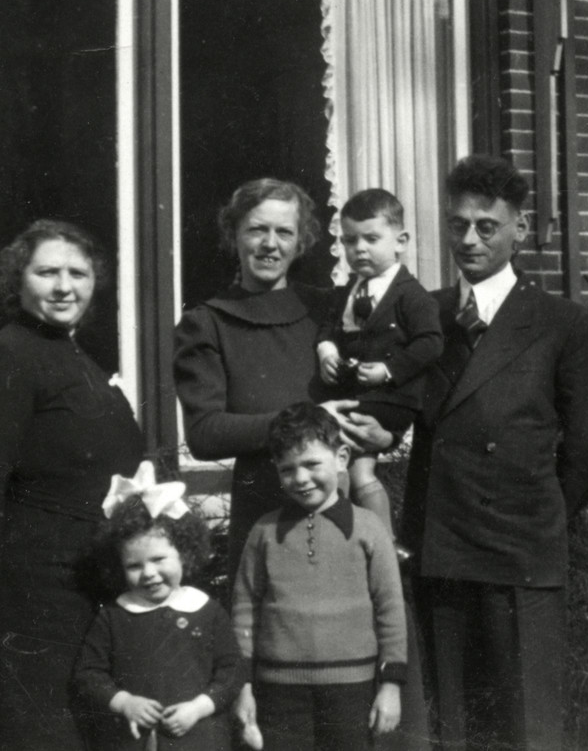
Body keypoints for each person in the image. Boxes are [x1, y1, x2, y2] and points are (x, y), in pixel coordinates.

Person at [403, 155, 588, 751]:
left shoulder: (560, 322)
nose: (469, 239)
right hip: (441, 549)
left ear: (518, 230)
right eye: (457, 225)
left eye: (486, 226)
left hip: (519, 552)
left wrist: (538, 513)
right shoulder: (426, 317)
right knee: (455, 726)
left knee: (528, 729)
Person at [0, 220, 147, 751]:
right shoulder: (8, 356)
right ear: (18, 281)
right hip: (34, 591)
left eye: (78, 273)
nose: (65, 286)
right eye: (47, 272)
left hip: (86, 584)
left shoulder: (74, 355)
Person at [172, 178, 391, 559]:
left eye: (284, 232)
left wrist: (386, 432)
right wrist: (306, 420)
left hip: (345, 515)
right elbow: (205, 434)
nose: (270, 244)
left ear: (301, 241)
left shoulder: (329, 309)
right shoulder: (207, 323)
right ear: (234, 234)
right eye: (257, 229)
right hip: (266, 520)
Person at [232, 403, 409, 751]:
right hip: (277, 690)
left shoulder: (368, 528)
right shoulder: (264, 532)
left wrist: (391, 687)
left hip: (352, 689)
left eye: (312, 464)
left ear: (341, 458)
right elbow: (243, 610)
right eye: (287, 469)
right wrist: (244, 687)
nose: (300, 478)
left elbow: (390, 610)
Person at [72, 462, 240, 751]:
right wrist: (125, 703)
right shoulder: (114, 616)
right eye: (134, 565)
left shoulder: (206, 610)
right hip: (132, 740)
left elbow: (232, 671)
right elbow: (88, 675)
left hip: (199, 738)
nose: (148, 573)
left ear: (184, 553)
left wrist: (198, 708)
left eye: (159, 560)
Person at [315, 187, 444, 535]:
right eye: (349, 241)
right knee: (354, 471)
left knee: (334, 459)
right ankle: (359, 542)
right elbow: (328, 326)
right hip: (358, 392)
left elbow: (431, 343)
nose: (359, 250)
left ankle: (374, 543)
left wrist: (389, 369)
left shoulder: (411, 295)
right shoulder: (348, 290)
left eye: (371, 238)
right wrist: (326, 349)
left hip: (389, 397)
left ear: (400, 241)